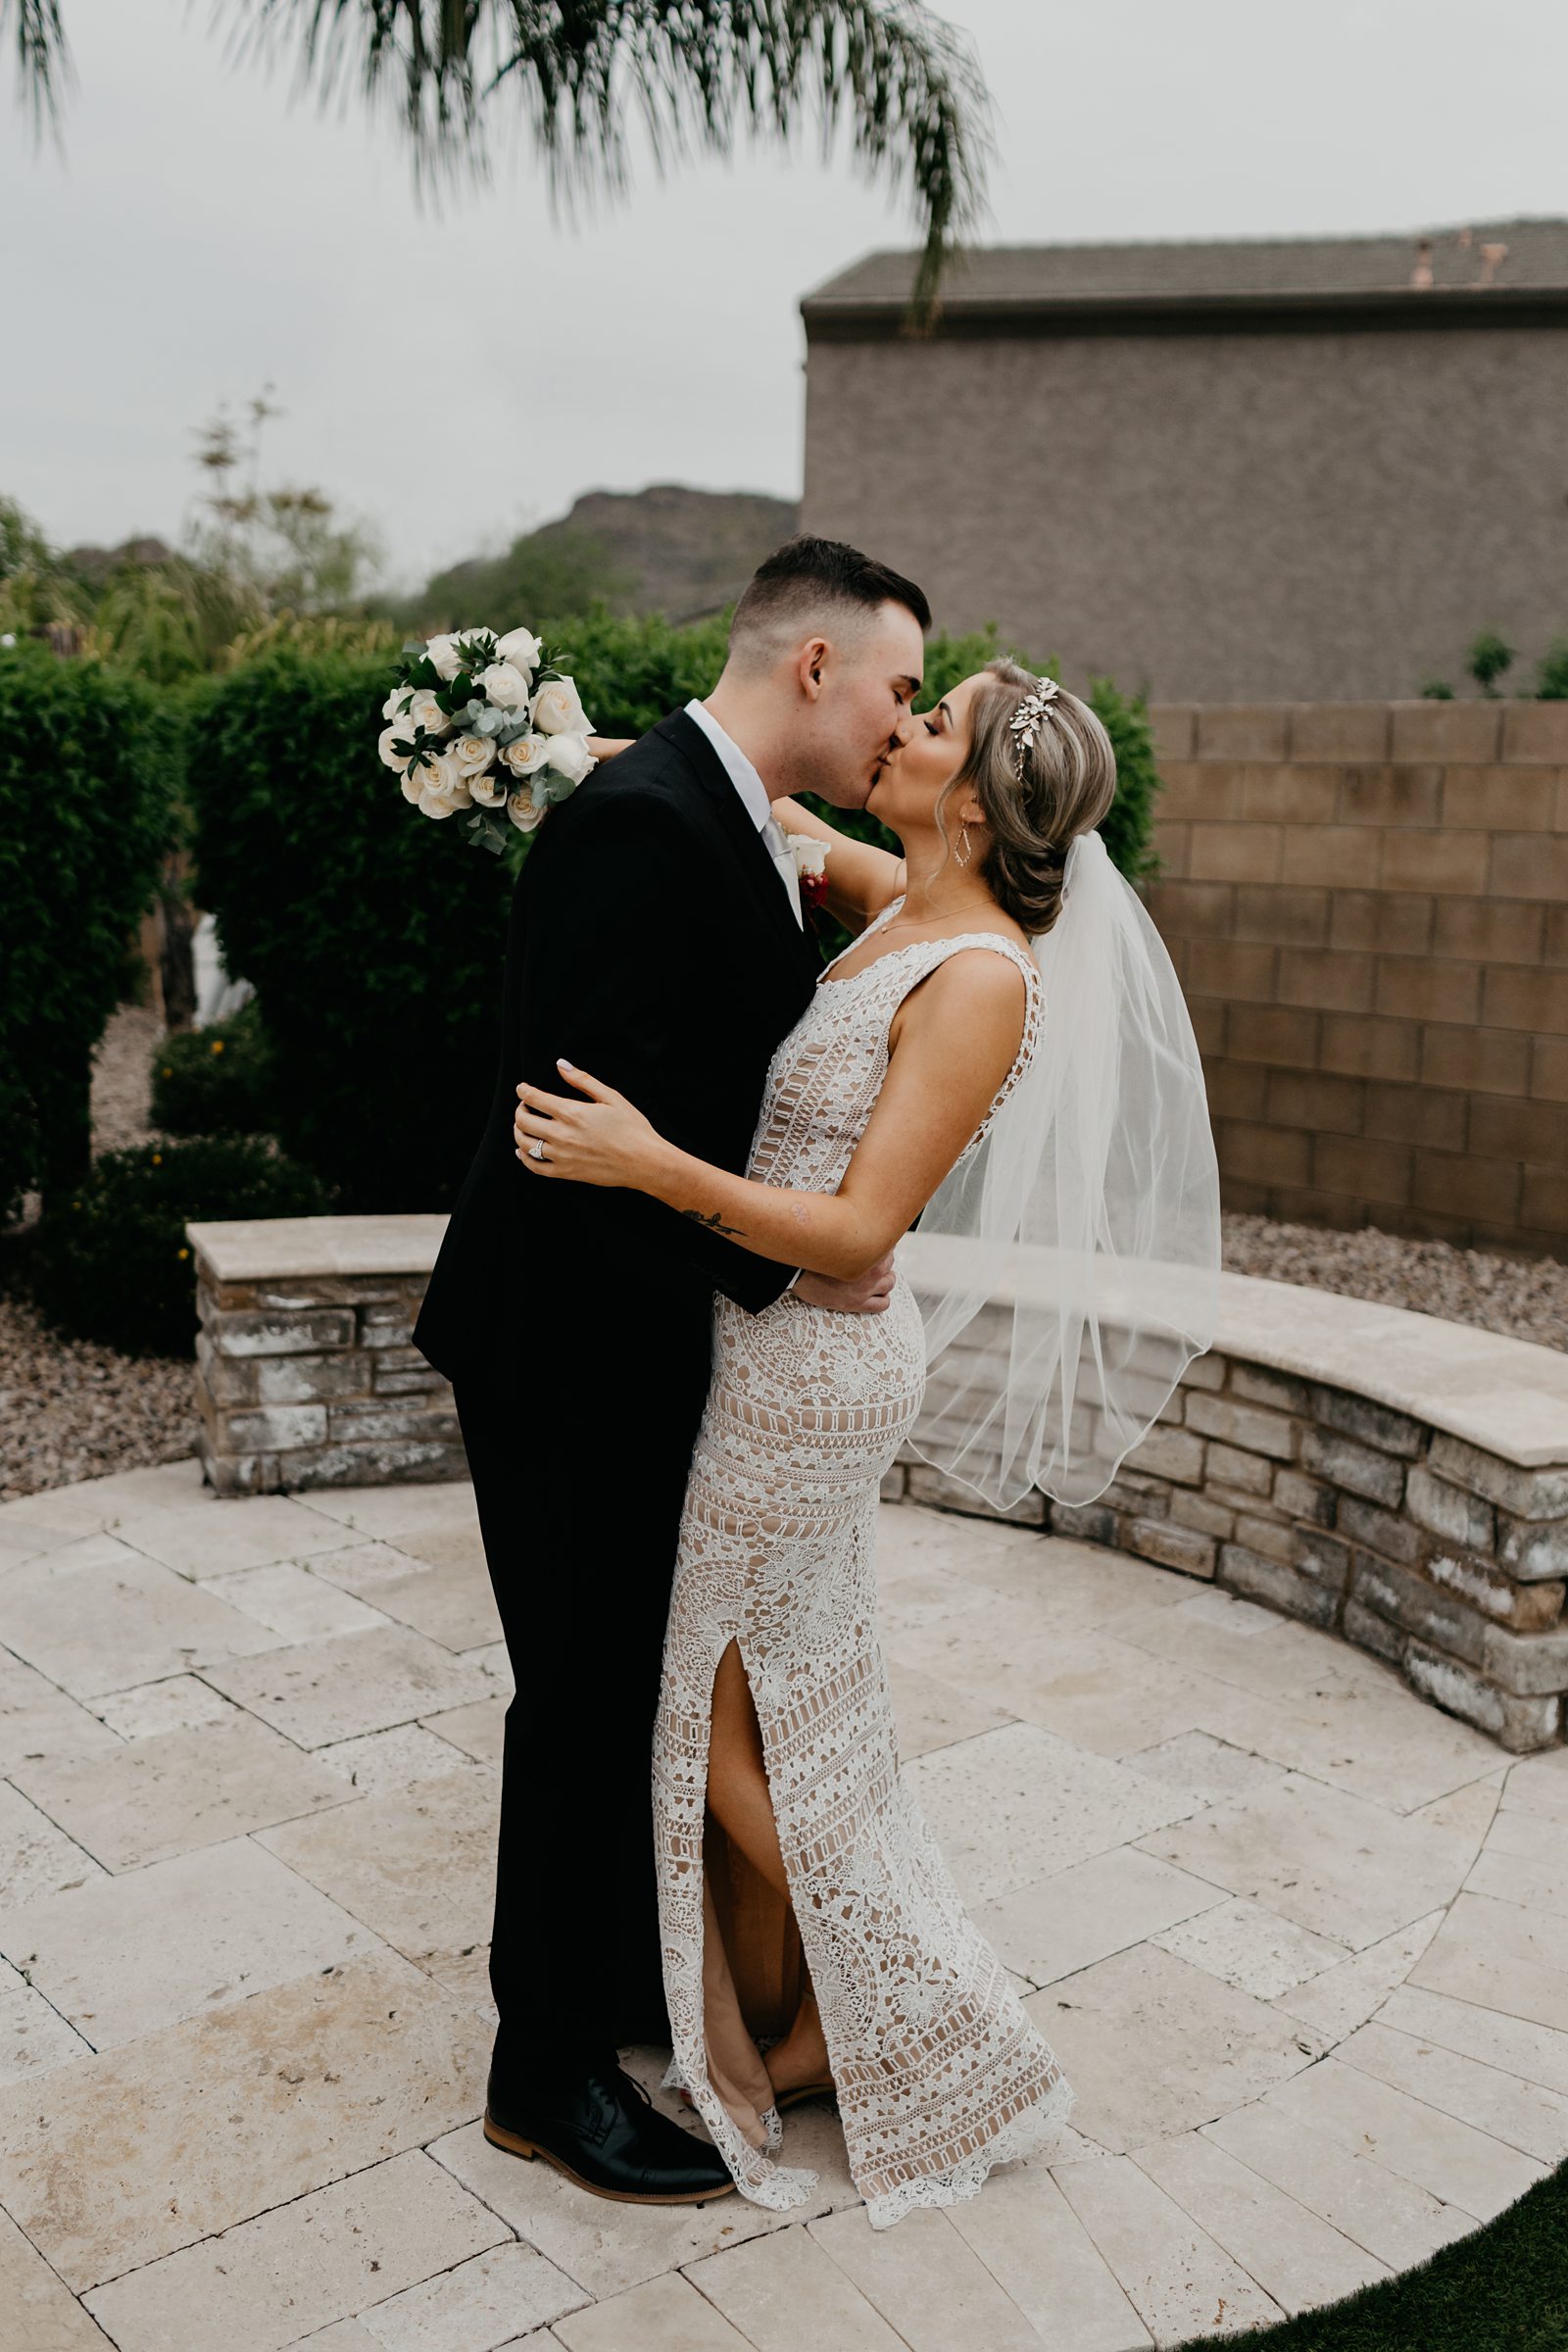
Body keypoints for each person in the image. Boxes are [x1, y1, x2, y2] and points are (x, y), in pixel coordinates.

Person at [509, 660, 1137, 2224]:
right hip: (771, 1349)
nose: (903, 731)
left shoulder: (981, 970)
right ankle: (799, 2035)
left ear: (980, 801)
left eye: (936, 721)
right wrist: (548, 742)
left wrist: (649, 1163)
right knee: (785, 1700)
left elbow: (859, 1222)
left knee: (714, 1717)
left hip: (809, 1376)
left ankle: (934, 2010)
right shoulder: (897, 883)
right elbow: (759, 804)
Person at [412, 536, 935, 2206]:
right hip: (568, 1348)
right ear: (812, 667)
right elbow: (585, 1141)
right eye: (897, 687)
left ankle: (620, 1985)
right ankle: (541, 2072)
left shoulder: (718, 813)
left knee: (632, 1682)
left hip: (646, 1345)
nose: (900, 720)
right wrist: (797, 1254)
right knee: (575, 1697)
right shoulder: (638, 825)